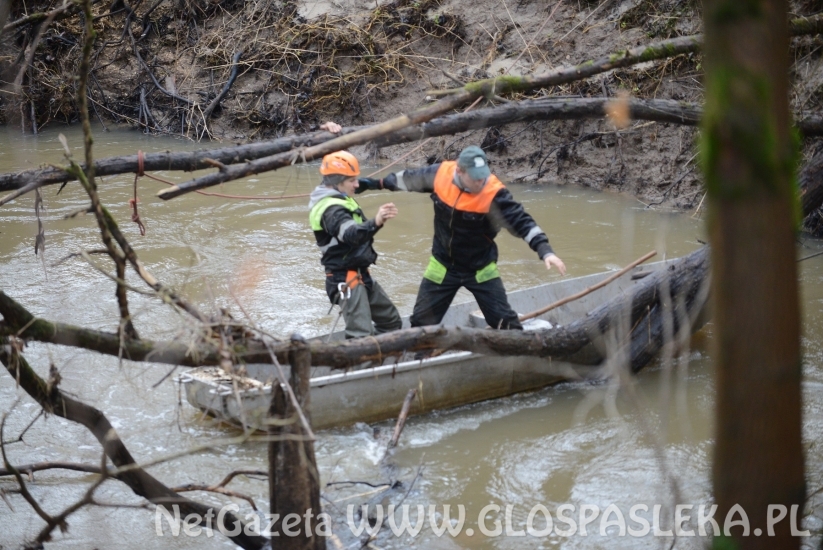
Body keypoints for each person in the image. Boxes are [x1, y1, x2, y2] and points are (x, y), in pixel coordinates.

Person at [358, 145, 566, 330]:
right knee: (421, 325)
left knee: (505, 324)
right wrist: (374, 183)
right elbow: (406, 179)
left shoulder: (494, 193)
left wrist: (545, 251)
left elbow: (523, 223)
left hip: (480, 269)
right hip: (442, 265)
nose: (481, 181)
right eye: (476, 177)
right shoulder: (440, 174)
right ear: (459, 171)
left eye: (483, 175)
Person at [308, 148, 402, 339]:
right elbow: (350, 234)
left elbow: (361, 184)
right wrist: (377, 221)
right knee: (361, 337)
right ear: (336, 182)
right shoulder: (331, 210)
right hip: (345, 278)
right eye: (352, 181)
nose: (356, 185)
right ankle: (363, 363)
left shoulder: (336, 191)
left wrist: (382, 183)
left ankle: (380, 359)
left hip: (360, 273)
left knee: (391, 322)